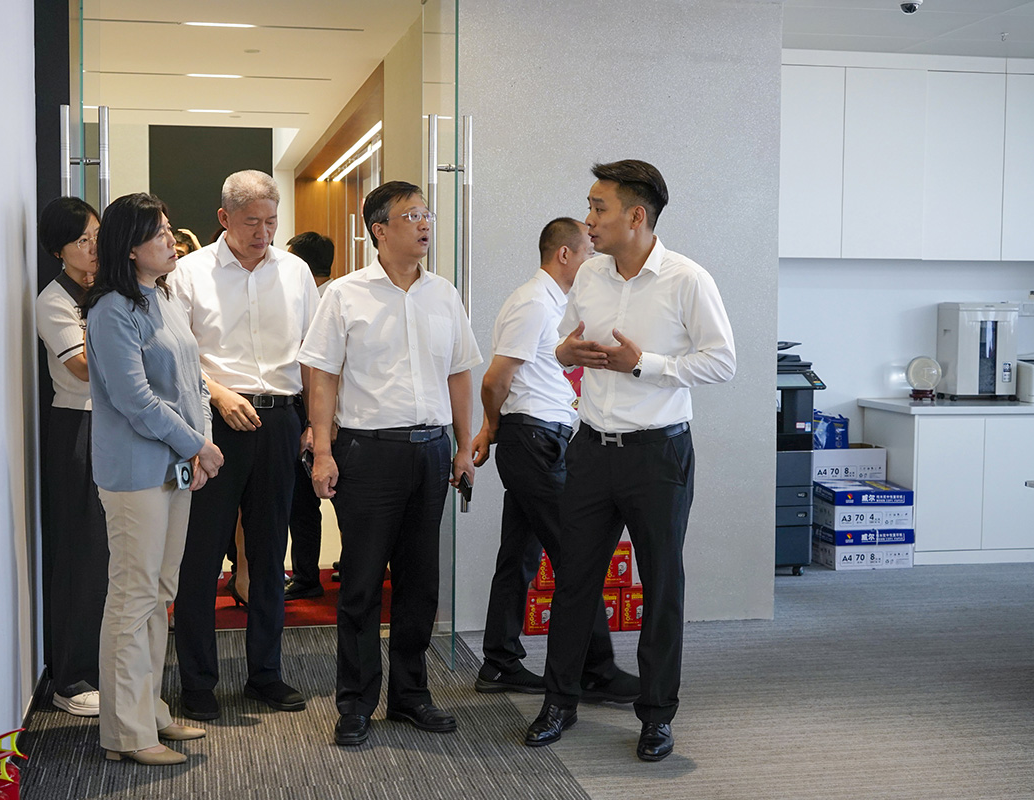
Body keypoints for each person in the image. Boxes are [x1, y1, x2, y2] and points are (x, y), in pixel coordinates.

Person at [524, 160, 736, 762]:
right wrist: (568, 352)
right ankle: (559, 702)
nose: (588, 220)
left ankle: (657, 716)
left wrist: (645, 365)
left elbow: (722, 362)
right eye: (590, 207)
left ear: (636, 216)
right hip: (591, 448)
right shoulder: (590, 274)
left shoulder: (687, 279)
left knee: (661, 585)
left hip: (657, 454)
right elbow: (565, 342)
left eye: (599, 208)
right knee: (574, 582)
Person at [299, 180, 482, 747]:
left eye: (427, 214)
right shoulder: (345, 295)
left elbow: (459, 373)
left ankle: (410, 695)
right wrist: (323, 451)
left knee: (420, 581)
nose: (425, 224)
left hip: (431, 452)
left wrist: (464, 445)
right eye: (411, 215)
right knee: (359, 582)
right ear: (379, 230)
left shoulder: (444, 294)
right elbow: (322, 377)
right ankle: (355, 702)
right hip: (368, 452)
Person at [169, 170, 318, 721]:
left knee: (268, 552)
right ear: (223, 218)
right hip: (214, 423)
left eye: (271, 222)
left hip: (280, 420)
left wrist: (313, 422)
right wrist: (217, 392)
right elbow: (176, 356)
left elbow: (313, 352)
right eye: (252, 221)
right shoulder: (189, 273)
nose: (263, 233)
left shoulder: (295, 271)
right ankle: (198, 682)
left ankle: (265, 674)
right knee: (201, 556)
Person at [470, 218, 638, 703]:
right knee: (576, 556)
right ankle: (597, 670)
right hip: (533, 442)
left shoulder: (556, 304)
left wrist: (495, 428)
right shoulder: (533, 302)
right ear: (564, 254)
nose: (595, 260)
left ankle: (499, 662)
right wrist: (492, 427)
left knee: (519, 556)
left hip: (539, 438)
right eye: (589, 251)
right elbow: (495, 380)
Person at [84, 192, 224, 766]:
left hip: (175, 464)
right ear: (129, 246)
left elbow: (193, 382)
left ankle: (149, 710)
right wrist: (198, 446)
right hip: (135, 472)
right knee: (133, 597)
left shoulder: (162, 296)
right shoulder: (110, 309)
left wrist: (199, 447)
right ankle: (125, 732)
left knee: (160, 593)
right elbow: (135, 400)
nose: (172, 239)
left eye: (169, 228)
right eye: (159, 232)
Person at [36, 196, 108, 717]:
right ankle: (71, 678)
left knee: (113, 558)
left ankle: (105, 668)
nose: (93, 248)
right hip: (78, 426)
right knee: (82, 555)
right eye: (82, 240)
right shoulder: (53, 300)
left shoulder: (104, 291)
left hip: (115, 424)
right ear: (58, 250)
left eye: (97, 237)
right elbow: (81, 367)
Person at [282, 231, 336, 601]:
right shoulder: (332, 296)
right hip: (326, 415)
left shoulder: (321, 303)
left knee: (303, 503)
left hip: (317, 414)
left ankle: (306, 577)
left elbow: (316, 373)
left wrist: (314, 424)